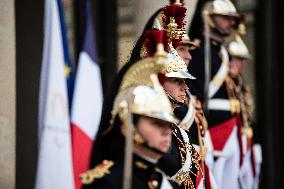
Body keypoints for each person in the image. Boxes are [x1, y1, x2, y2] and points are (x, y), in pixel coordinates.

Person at [81, 44, 180, 189]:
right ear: (127, 127)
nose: (167, 132)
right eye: (157, 123)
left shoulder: (169, 185)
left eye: (169, 125)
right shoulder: (105, 184)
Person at [187, 0, 245, 188]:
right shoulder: (198, 52)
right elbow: (195, 95)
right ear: (209, 17)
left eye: (232, 19)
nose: (230, 23)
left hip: (231, 130)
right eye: (225, 18)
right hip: (213, 130)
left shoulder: (222, 52)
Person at [227, 34, 262, 189]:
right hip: (227, 139)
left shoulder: (241, 85)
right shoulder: (224, 82)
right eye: (238, 59)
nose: (241, 64)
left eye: (243, 60)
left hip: (244, 138)